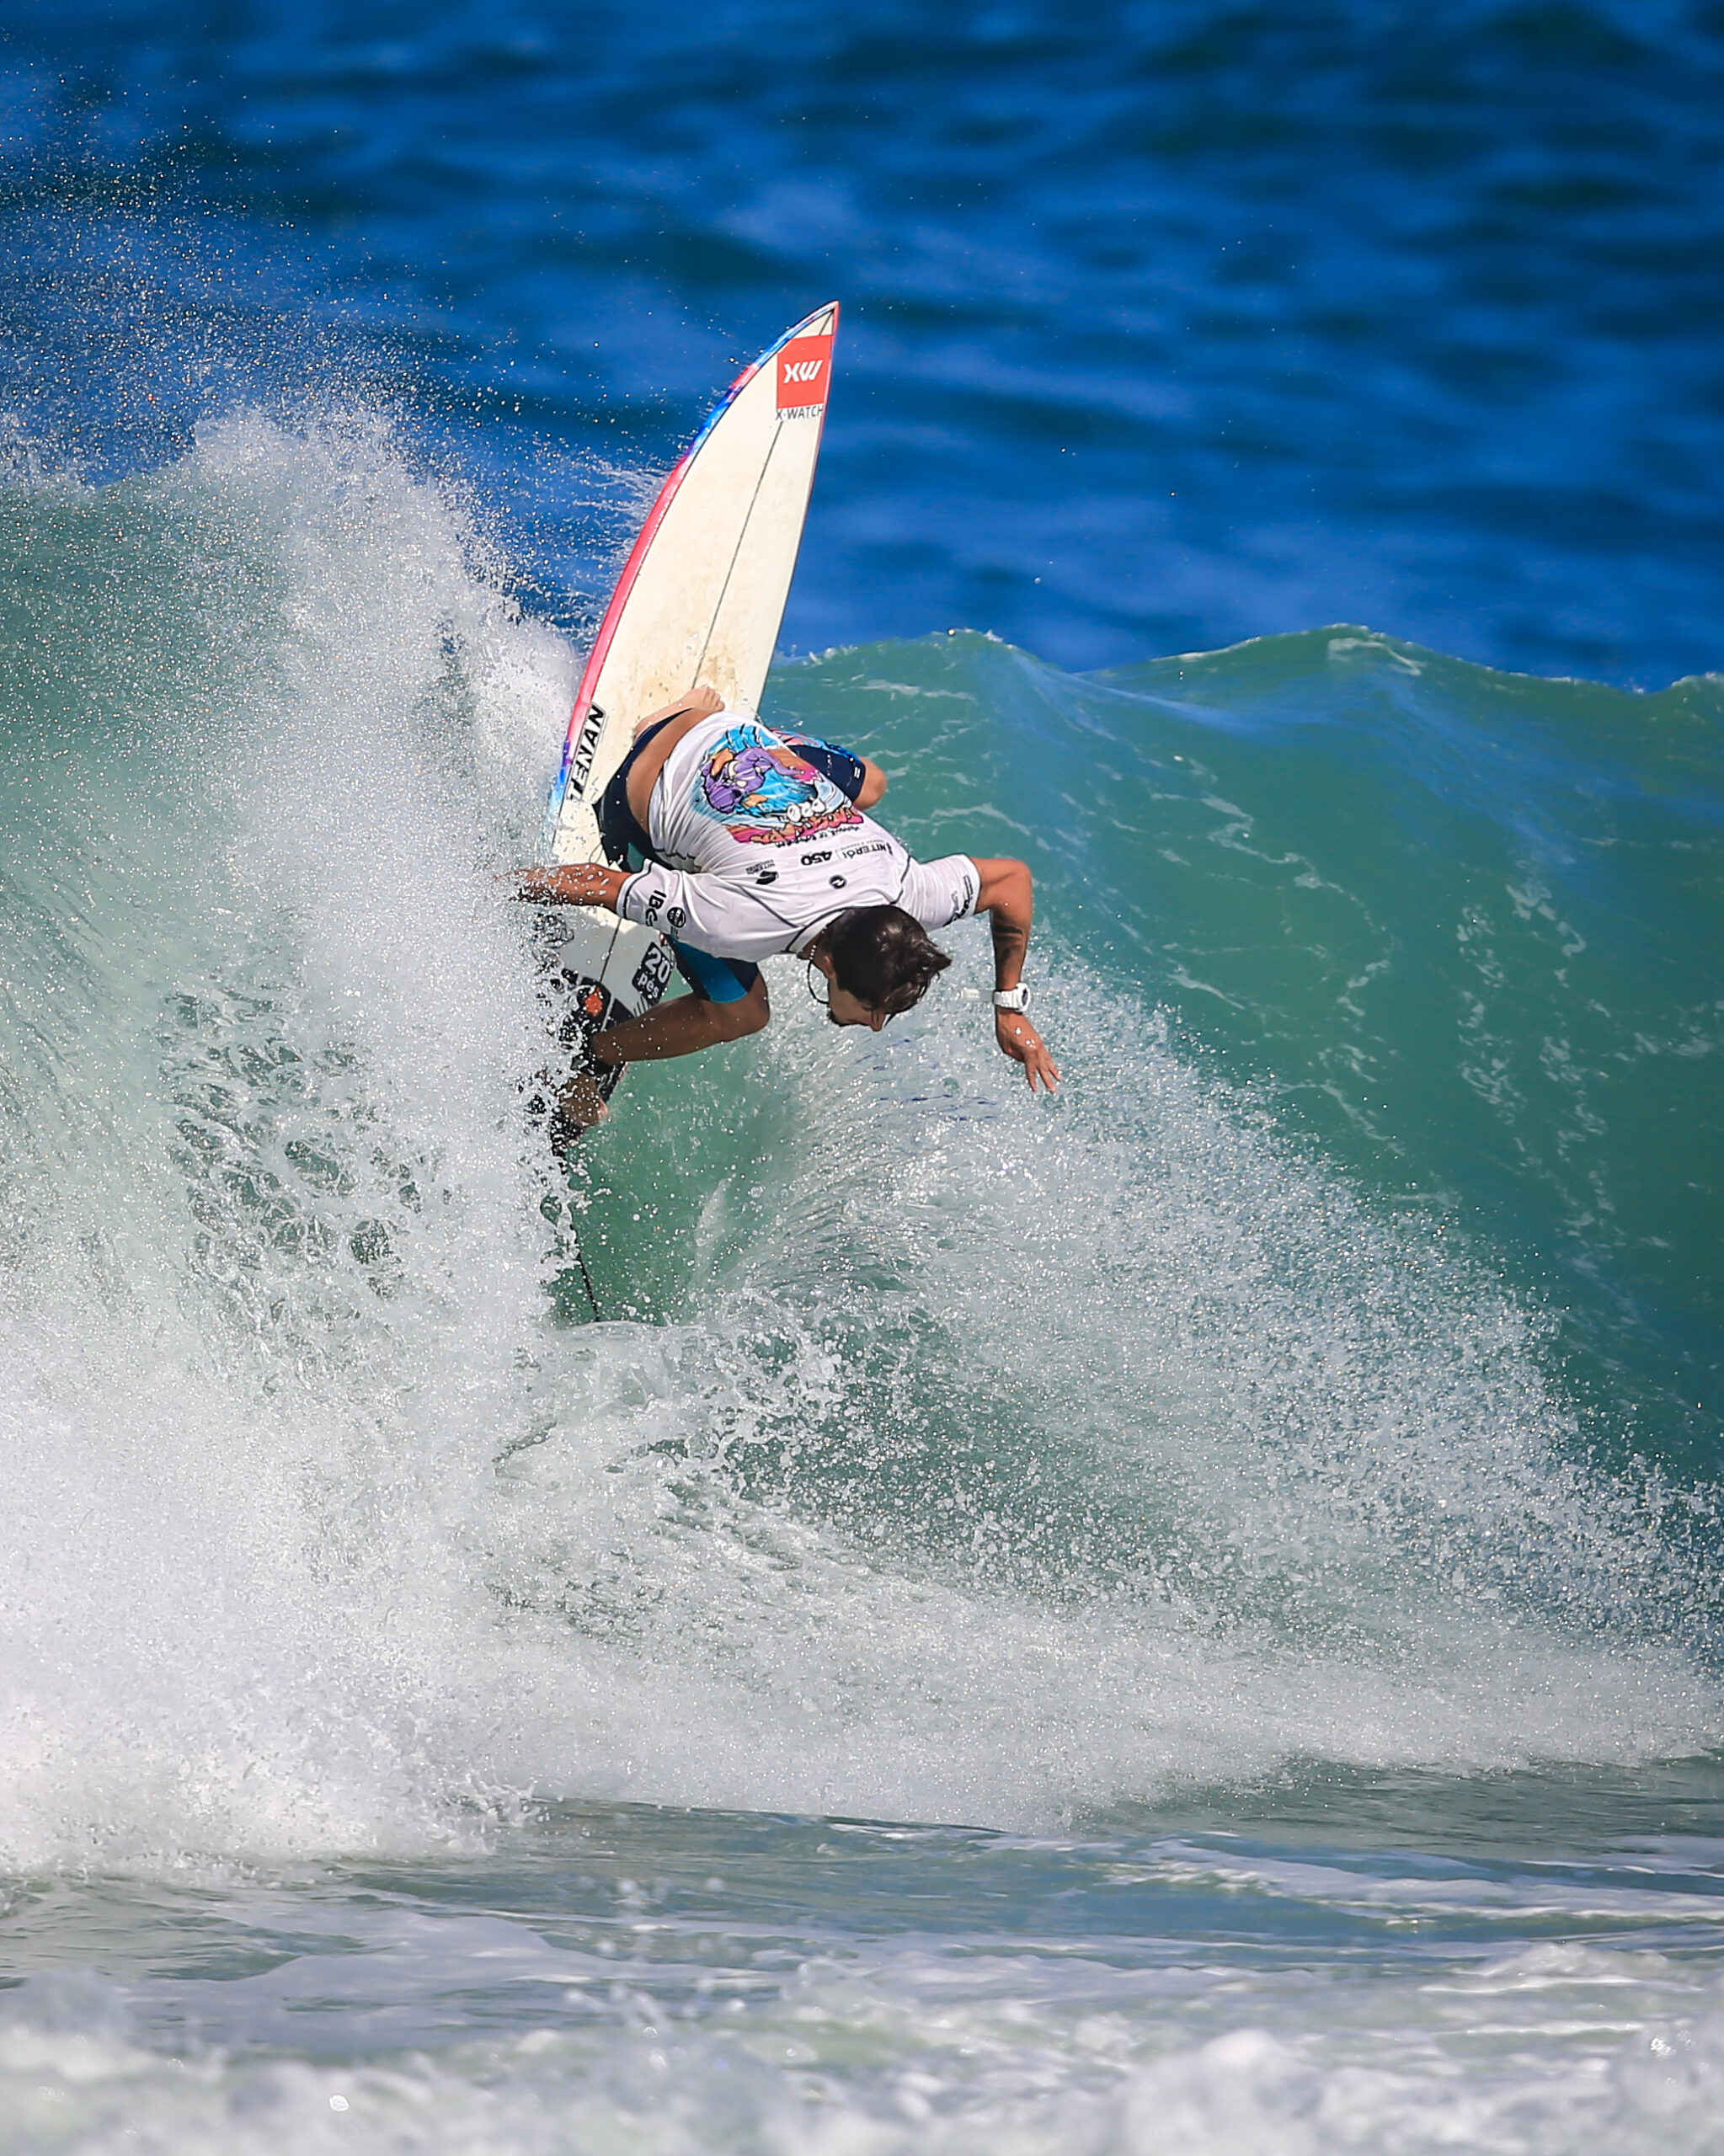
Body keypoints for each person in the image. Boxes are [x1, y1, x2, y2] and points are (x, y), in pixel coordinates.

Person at [515, 685, 1059, 1129]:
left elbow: (1012, 881)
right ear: (829, 965)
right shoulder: (743, 920)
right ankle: (597, 1056)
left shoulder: (910, 893)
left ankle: (709, 722)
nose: (875, 1027)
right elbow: (597, 883)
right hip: (638, 793)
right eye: (875, 1010)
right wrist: (486, 888)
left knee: (870, 784)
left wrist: (1009, 1005)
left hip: (734, 740)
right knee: (744, 1012)